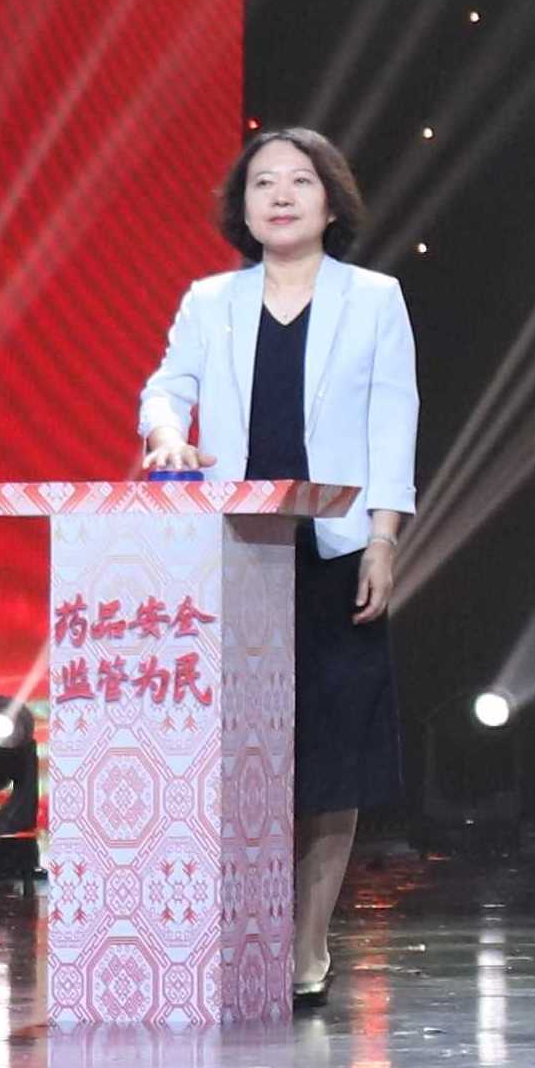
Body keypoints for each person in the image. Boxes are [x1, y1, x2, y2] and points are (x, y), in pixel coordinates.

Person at [133, 126, 422, 1012]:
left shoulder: (373, 298)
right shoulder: (209, 300)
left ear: (331, 203)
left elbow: (392, 424)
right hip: (237, 555)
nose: (282, 195)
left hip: (334, 552)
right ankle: (228, 930)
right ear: (243, 206)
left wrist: (383, 539)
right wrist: (167, 436)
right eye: (264, 182)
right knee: (237, 749)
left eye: (301, 181)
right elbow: (166, 387)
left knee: (333, 754)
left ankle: (307, 940)